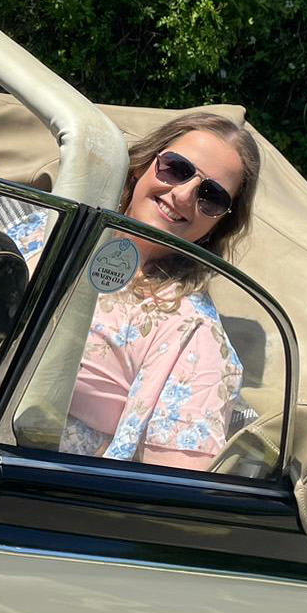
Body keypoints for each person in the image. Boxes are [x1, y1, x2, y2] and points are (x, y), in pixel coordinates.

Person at [61, 112, 259, 468]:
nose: (183, 195)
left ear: (218, 225)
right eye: (177, 168)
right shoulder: (55, 222)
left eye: (211, 196)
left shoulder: (192, 334)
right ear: (141, 165)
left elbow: (168, 491)